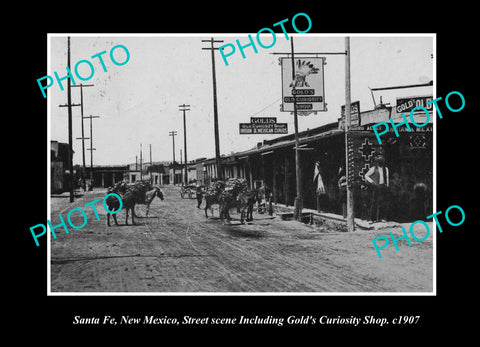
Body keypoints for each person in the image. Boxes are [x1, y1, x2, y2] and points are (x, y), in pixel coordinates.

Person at [364, 155, 389, 223]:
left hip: (383, 186)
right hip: (376, 187)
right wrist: (372, 182)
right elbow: (366, 175)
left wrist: (387, 185)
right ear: (377, 162)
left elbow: (387, 177)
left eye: (382, 161)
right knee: (374, 202)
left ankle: (381, 218)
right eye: (379, 161)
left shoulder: (385, 169)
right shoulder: (373, 168)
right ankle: (373, 219)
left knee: (383, 202)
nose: (381, 162)